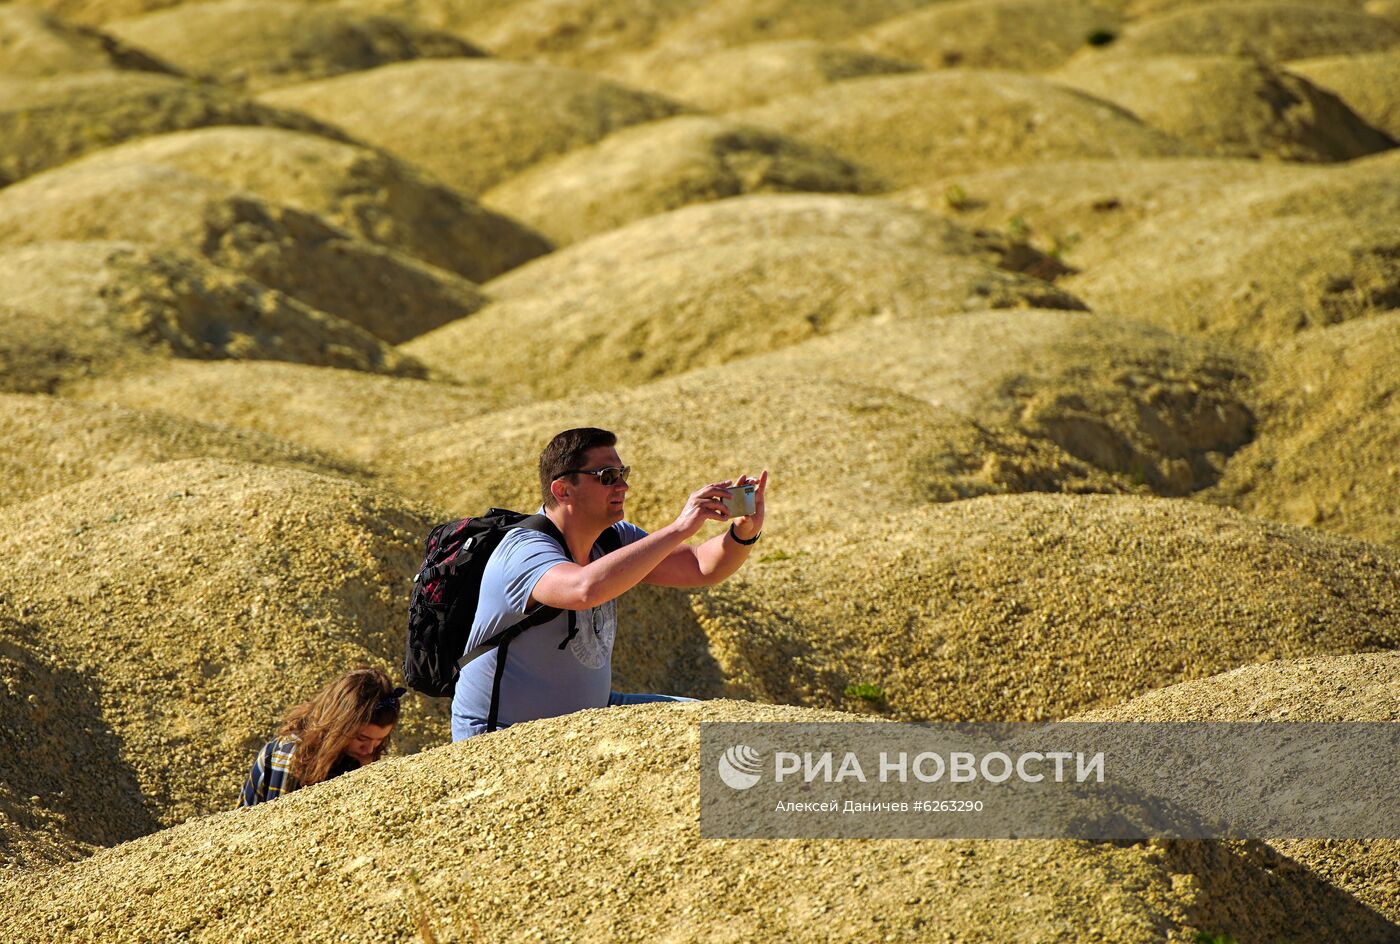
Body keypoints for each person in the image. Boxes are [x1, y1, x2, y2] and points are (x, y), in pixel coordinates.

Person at [451, 427, 767, 741]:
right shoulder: (525, 549)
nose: (623, 486)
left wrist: (743, 533)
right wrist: (679, 528)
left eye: (622, 473)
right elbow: (583, 590)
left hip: (592, 716)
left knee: (710, 721)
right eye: (607, 476)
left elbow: (700, 566)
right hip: (502, 734)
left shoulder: (614, 538)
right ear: (563, 490)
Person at [238, 666, 404, 807]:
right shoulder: (288, 756)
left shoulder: (356, 757)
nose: (369, 749)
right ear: (337, 726)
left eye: (379, 741)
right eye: (361, 739)